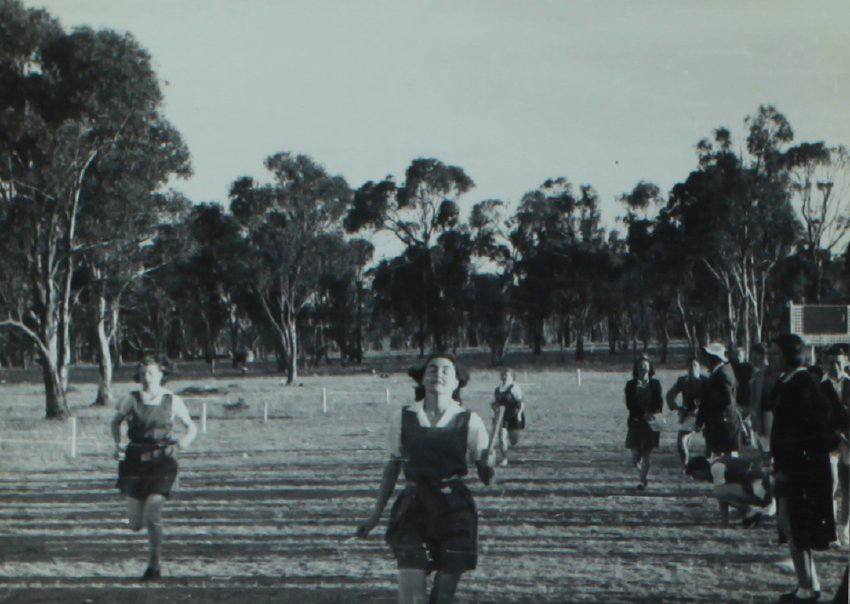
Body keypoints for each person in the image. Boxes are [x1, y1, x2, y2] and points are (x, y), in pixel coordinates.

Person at [356, 353, 494, 604]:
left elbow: (486, 475)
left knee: (442, 597)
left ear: (456, 383)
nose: (438, 373)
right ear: (422, 379)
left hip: (455, 511)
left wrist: (491, 460)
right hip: (413, 508)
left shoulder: (470, 421)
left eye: (445, 370)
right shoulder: (403, 417)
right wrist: (375, 514)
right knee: (411, 596)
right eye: (432, 369)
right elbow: (393, 466)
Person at [110, 355, 198, 581]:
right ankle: (152, 559)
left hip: (163, 462)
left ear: (161, 375)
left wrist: (186, 440)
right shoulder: (131, 398)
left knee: (153, 512)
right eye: (142, 374)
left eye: (150, 373)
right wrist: (117, 444)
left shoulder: (172, 400)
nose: (146, 377)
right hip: (135, 462)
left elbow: (191, 427)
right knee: (135, 524)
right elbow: (114, 422)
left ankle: (154, 566)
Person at [768, 334, 835, 603]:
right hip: (789, 464)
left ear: (788, 355)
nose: (771, 358)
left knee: (795, 527)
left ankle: (807, 589)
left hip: (801, 467)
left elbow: (807, 429)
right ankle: (808, 584)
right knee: (788, 525)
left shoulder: (803, 382)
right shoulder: (789, 381)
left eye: (775, 353)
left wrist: (791, 463)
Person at [818, 344, 850, 548]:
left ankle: (844, 530)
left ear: (846, 362)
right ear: (825, 364)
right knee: (831, 485)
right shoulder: (819, 387)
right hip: (829, 443)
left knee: (848, 489)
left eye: (838, 363)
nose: (834, 367)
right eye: (830, 363)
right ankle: (830, 532)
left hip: (848, 443)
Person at [685, 454, 774, 527]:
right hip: (759, 489)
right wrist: (724, 523)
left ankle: (750, 513)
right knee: (721, 491)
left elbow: (721, 494)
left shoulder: (716, 468)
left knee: (719, 491)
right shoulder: (717, 463)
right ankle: (749, 515)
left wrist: (724, 522)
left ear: (701, 469)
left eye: (695, 475)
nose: (697, 479)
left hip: (760, 491)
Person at [695, 342, 742, 459]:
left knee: (726, 459)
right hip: (719, 423)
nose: (704, 360)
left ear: (713, 358)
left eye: (706, 356)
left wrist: (710, 416)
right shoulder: (720, 371)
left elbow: (727, 400)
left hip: (724, 425)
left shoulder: (723, 373)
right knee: (718, 458)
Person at [624, 355, 663, 490]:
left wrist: (652, 414)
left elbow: (659, 402)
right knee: (635, 456)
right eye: (640, 367)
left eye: (645, 367)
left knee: (647, 453)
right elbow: (630, 404)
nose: (642, 370)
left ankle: (642, 480)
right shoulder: (630, 385)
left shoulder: (655, 384)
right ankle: (641, 473)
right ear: (636, 369)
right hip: (635, 422)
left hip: (650, 424)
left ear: (650, 369)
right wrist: (642, 414)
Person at [665, 357, 706, 468]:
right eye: (690, 366)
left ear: (699, 367)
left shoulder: (705, 381)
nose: (692, 368)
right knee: (681, 442)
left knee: (711, 442)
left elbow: (712, 398)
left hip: (704, 416)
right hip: (687, 415)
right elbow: (670, 395)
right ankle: (686, 463)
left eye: (695, 365)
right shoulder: (682, 381)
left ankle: (709, 464)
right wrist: (675, 407)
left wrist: (702, 410)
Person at [491, 368, 526, 467]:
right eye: (504, 375)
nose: (505, 377)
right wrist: (495, 410)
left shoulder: (515, 388)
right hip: (502, 417)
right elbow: (493, 403)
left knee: (513, 441)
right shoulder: (497, 390)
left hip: (514, 416)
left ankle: (512, 442)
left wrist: (519, 415)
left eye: (508, 375)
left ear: (512, 377)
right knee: (502, 437)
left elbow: (521, 403)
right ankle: (504, 458)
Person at [749, 343, 776, 456]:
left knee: (767, 446)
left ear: (759, 356)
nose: (750, 358)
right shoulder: (756, 374)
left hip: (767, 414)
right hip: (758, 414)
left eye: (752, 355)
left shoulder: (769, 373)